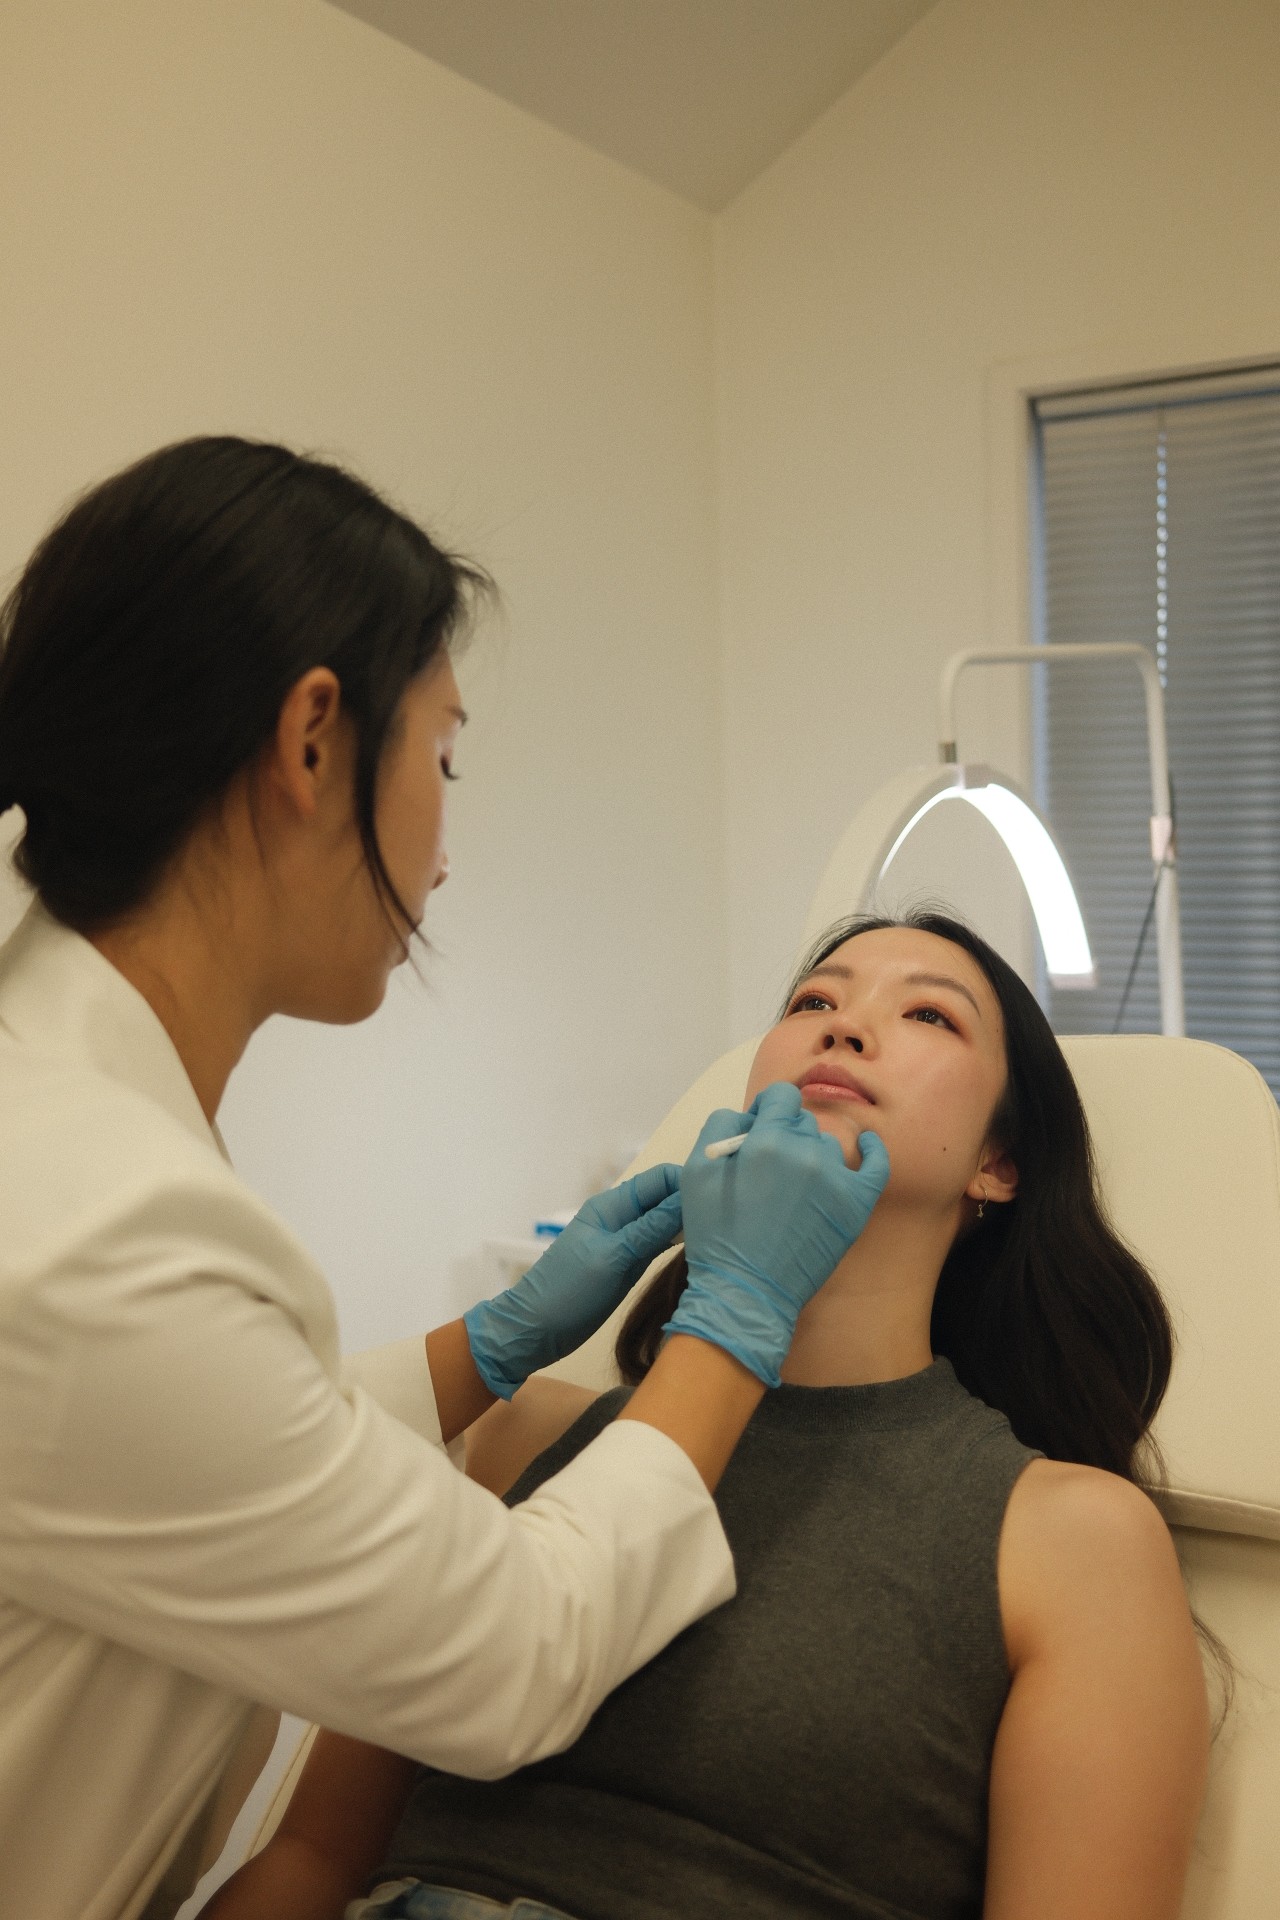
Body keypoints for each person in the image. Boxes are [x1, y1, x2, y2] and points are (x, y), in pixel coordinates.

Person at [0, 437, 891, 1920]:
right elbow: (508, 1658)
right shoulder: (94, 1224)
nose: (448, 842)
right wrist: (736, 1316)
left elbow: (200, 1445)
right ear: (309, 742)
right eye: (445, 754)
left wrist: (480, 1353)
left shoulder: (75, 1141)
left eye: (929, 1015)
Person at [205, 911, 1212, 1920]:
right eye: (813, 1001)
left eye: (925, 1015)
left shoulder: (1066, 1538)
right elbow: (310, 1858)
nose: (843, 1028)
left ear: (997, 1162)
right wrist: (490, 1343)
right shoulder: (526, 1439)